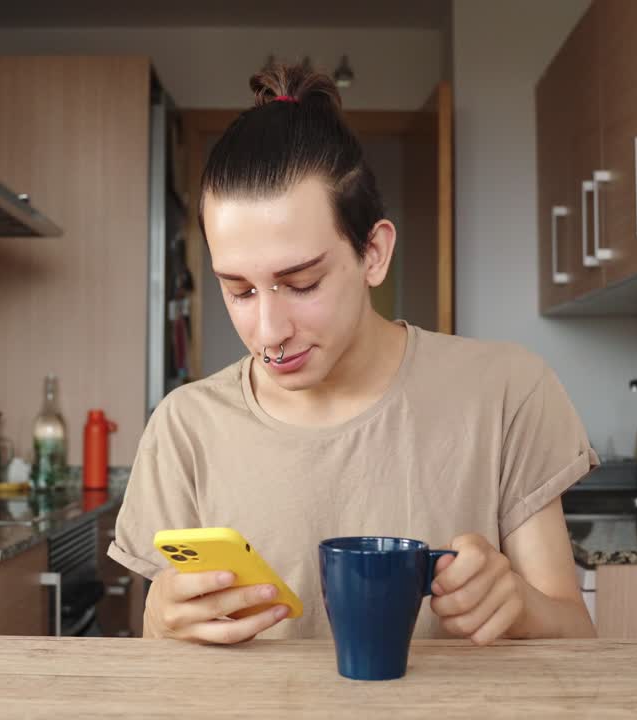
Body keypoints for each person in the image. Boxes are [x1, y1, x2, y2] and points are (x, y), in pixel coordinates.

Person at [106, 64, 599, 645]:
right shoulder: (185, 427)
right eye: (238, 290)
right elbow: (159, 663)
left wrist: (517, 606)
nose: (268, 331)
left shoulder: (507, 391)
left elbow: (575, 636)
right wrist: (160, 623)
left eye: (303, 283)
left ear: (373, 253)